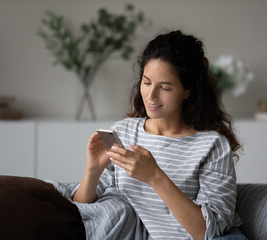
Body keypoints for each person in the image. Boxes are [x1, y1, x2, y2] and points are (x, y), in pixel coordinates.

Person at [72, 30, 247, 240]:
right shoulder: (125, 132)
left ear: (188, 90)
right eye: (146, 83)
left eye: (164, 87)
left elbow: (207, 232)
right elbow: (83, 213)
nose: (151, 95)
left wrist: (155, 177)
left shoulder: (211, 145)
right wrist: (93, 169)